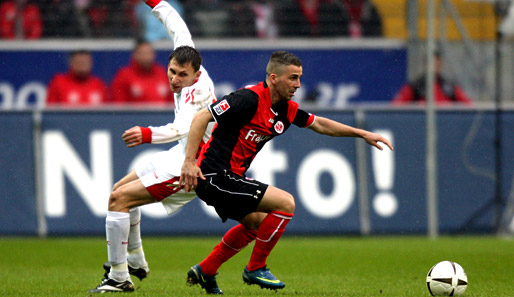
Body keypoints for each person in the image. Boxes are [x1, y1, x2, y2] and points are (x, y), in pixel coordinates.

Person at [180, 51, 394, 294]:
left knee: (258, 224)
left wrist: (363, 133)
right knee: (285, 203)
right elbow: (201, 117)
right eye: (292, 78)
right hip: (213, 175)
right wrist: (189, 163)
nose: (298, 85)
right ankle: (256, 268)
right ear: (273, 78)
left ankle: (206, 270)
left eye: (299, 78)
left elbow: (321, 124)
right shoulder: (247, 98)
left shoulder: (286, 110)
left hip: (230, 178)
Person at [88, 0, 216, 293]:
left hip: (196, 161)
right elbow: (176, 24)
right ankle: (135, 259)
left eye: (182, 75)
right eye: (172, 71)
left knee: (119, 201)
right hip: (183, 152)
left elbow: (181, 128)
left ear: (196, 75)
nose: (175, 79)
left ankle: (119, 276)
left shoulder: (195, 92)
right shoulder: (187, 55)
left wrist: (145, 134)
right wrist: (154, 2)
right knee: (118, 192)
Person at [392, 50, 473, 105]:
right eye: (432, 64)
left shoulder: (449, 86)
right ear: (425, 65)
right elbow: (396, 106)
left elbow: (468, 104)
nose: (434, 67)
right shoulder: (415, 86)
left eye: (437, 64)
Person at [111, 39, 173, 105]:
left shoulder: (163, 73)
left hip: (163, 115)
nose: (146, 57)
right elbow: (118, 106)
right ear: (134, 55)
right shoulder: (124, 76)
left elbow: (173, 102)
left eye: (149, 53)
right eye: (142, 53)